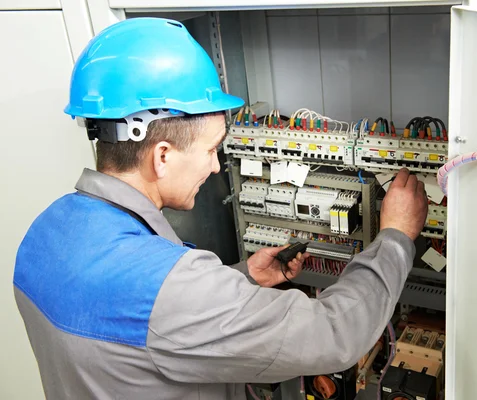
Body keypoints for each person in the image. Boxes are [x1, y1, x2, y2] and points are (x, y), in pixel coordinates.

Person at [13, 17, 428, 400]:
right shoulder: (173, 289)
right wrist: (395, 237)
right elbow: (334, 334)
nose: (216, 167)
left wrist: (241, 278)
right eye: (212, 149)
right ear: (161, 156)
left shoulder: (45, 232)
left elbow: (136, 321)